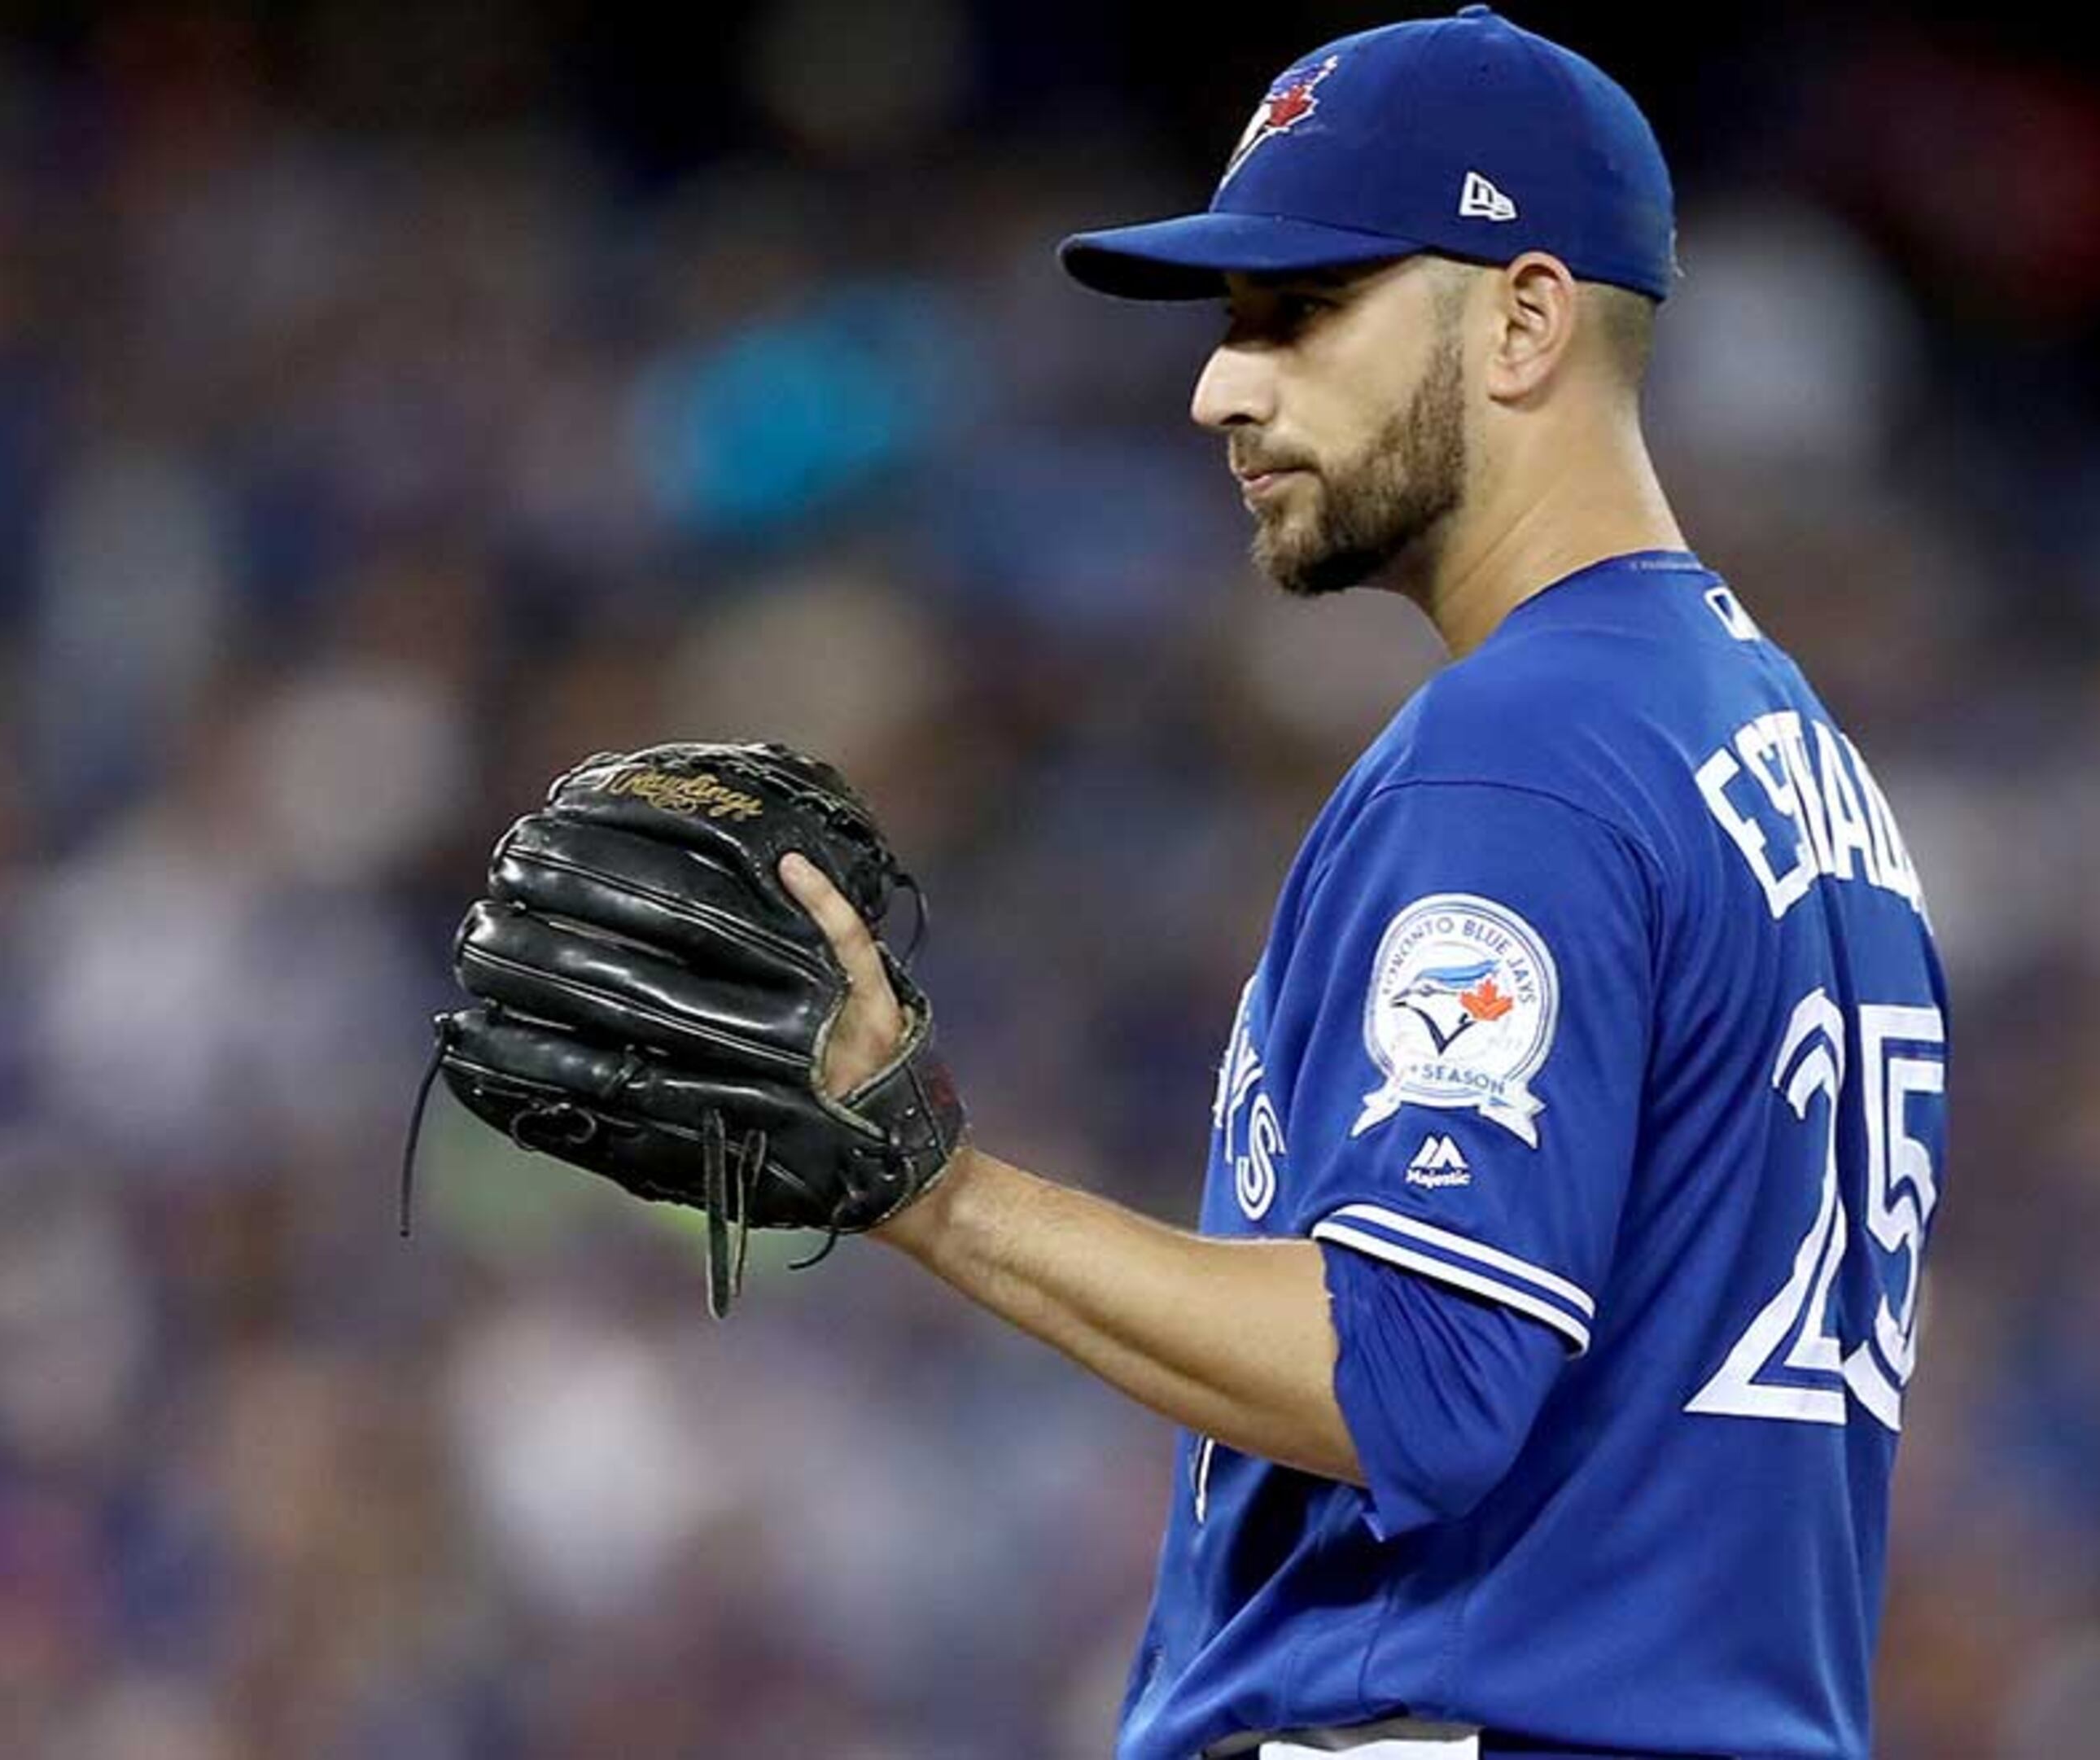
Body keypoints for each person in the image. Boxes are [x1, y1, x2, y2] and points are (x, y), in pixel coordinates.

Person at [770, 10, 1952, 1757]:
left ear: (1527, 319)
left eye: (1302, 311)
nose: (1220, 384)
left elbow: (1418, 1370)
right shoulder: (1773, 750)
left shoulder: (1525, 751)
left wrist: (927, 1190)